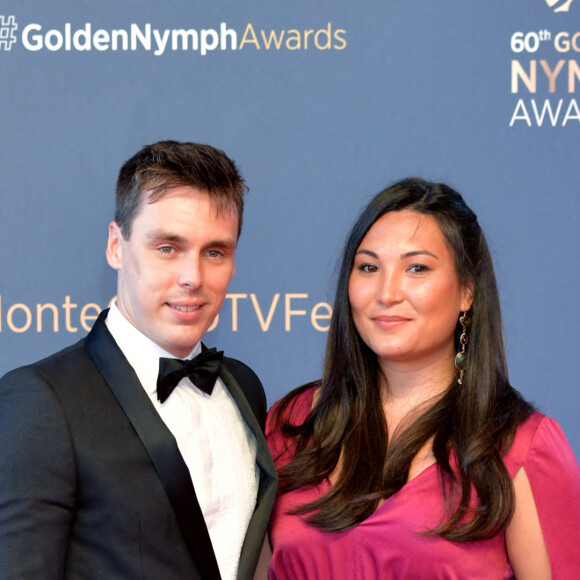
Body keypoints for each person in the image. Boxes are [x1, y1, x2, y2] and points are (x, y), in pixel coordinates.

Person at [266, 178, 580, 579]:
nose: (387, 292)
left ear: (467, 290)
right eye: (368, 267)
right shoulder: (293, 422)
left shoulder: (521, 445)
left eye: (417, 268)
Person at [0, 140, 277, 580]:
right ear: (116, 245)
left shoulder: (244, 386)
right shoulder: (42, 402)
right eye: (167, 247)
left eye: (215, 252)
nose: (193, 278)